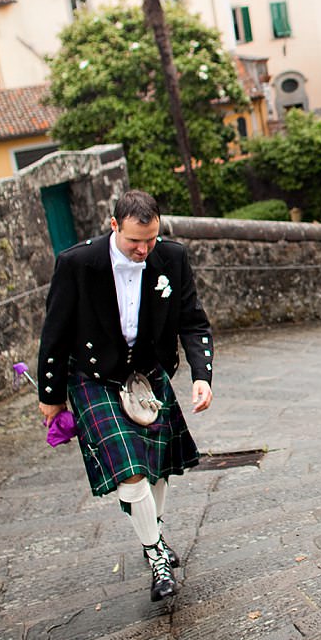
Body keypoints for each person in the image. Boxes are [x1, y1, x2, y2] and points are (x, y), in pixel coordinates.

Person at [36, 189, 213, 602]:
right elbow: (55, 331)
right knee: (129, 469)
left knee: (156, 466)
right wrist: (51, 394)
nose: (143, 250)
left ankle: (154, 531)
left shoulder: (172, 257)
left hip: (149, 373)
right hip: (94, 376)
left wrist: (202, 376)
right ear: (114, 225)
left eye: (150, 240)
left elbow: (193, 321)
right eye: (135, 241)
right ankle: (156, 555)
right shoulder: (78, 263)